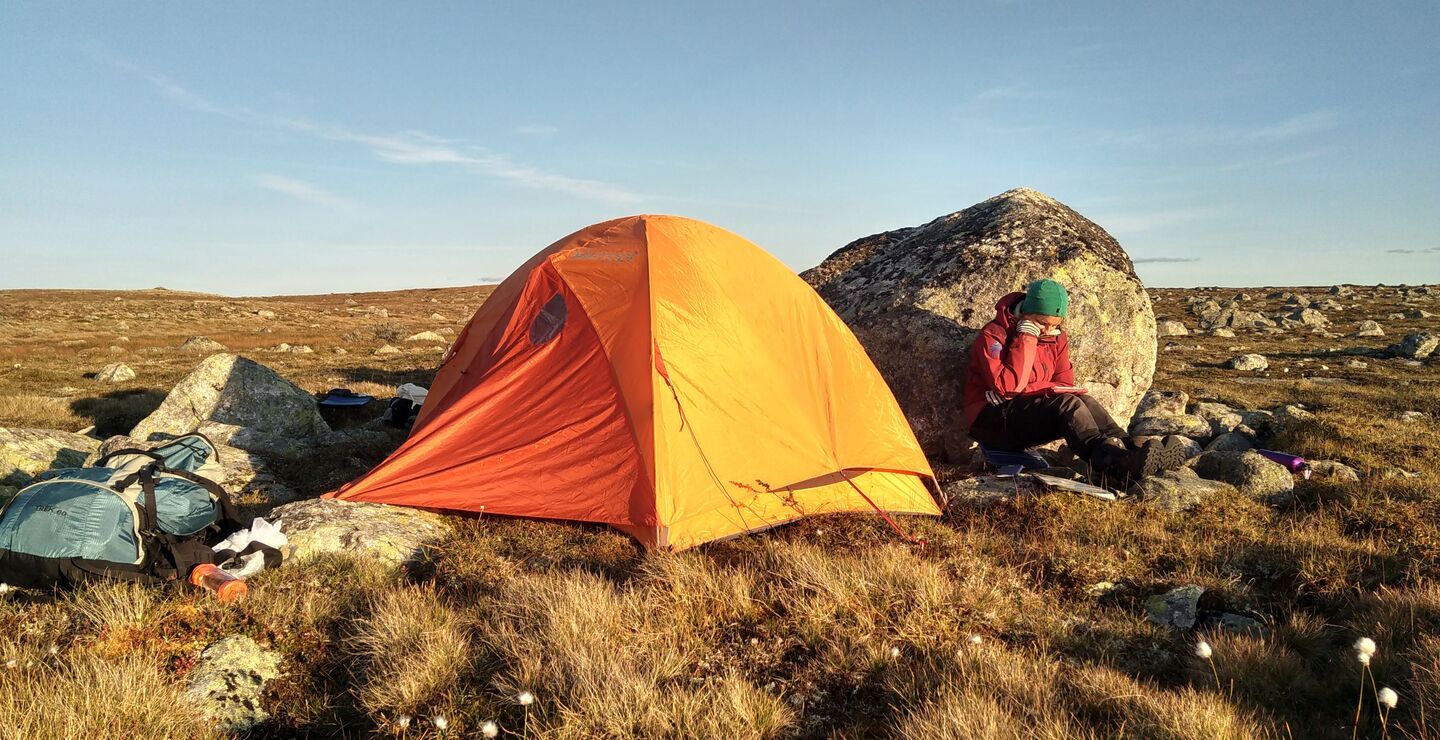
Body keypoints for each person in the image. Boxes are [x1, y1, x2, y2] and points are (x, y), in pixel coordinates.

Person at [961, 278, 1186, 483]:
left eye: (1055, 325)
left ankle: (1131, 450)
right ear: (1027, 313)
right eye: (1042, 322)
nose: (1048, 330)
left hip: (1019, 409)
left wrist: (1035, 389)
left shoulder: (1056, 337)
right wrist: (1027, 337)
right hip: (989, 420)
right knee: (1066, 403)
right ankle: (1110, 463)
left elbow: (1064, 384)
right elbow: (1009, 386)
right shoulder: (994, 334)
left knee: (1084, 400)